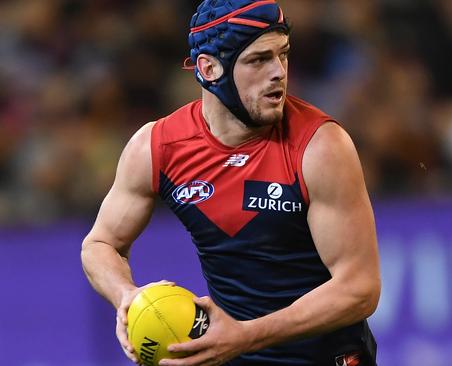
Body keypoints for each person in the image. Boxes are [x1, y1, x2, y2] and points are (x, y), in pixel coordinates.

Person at [80, 1, 381, 365]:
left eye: (282, 55)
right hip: (232, 354)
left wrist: (246, 336)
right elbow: (99, 244)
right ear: (209, 68)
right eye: (258, 60)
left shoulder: (320, 147)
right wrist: (125, 295)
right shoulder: (157, 146)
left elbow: (359, 290)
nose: (278, 73)